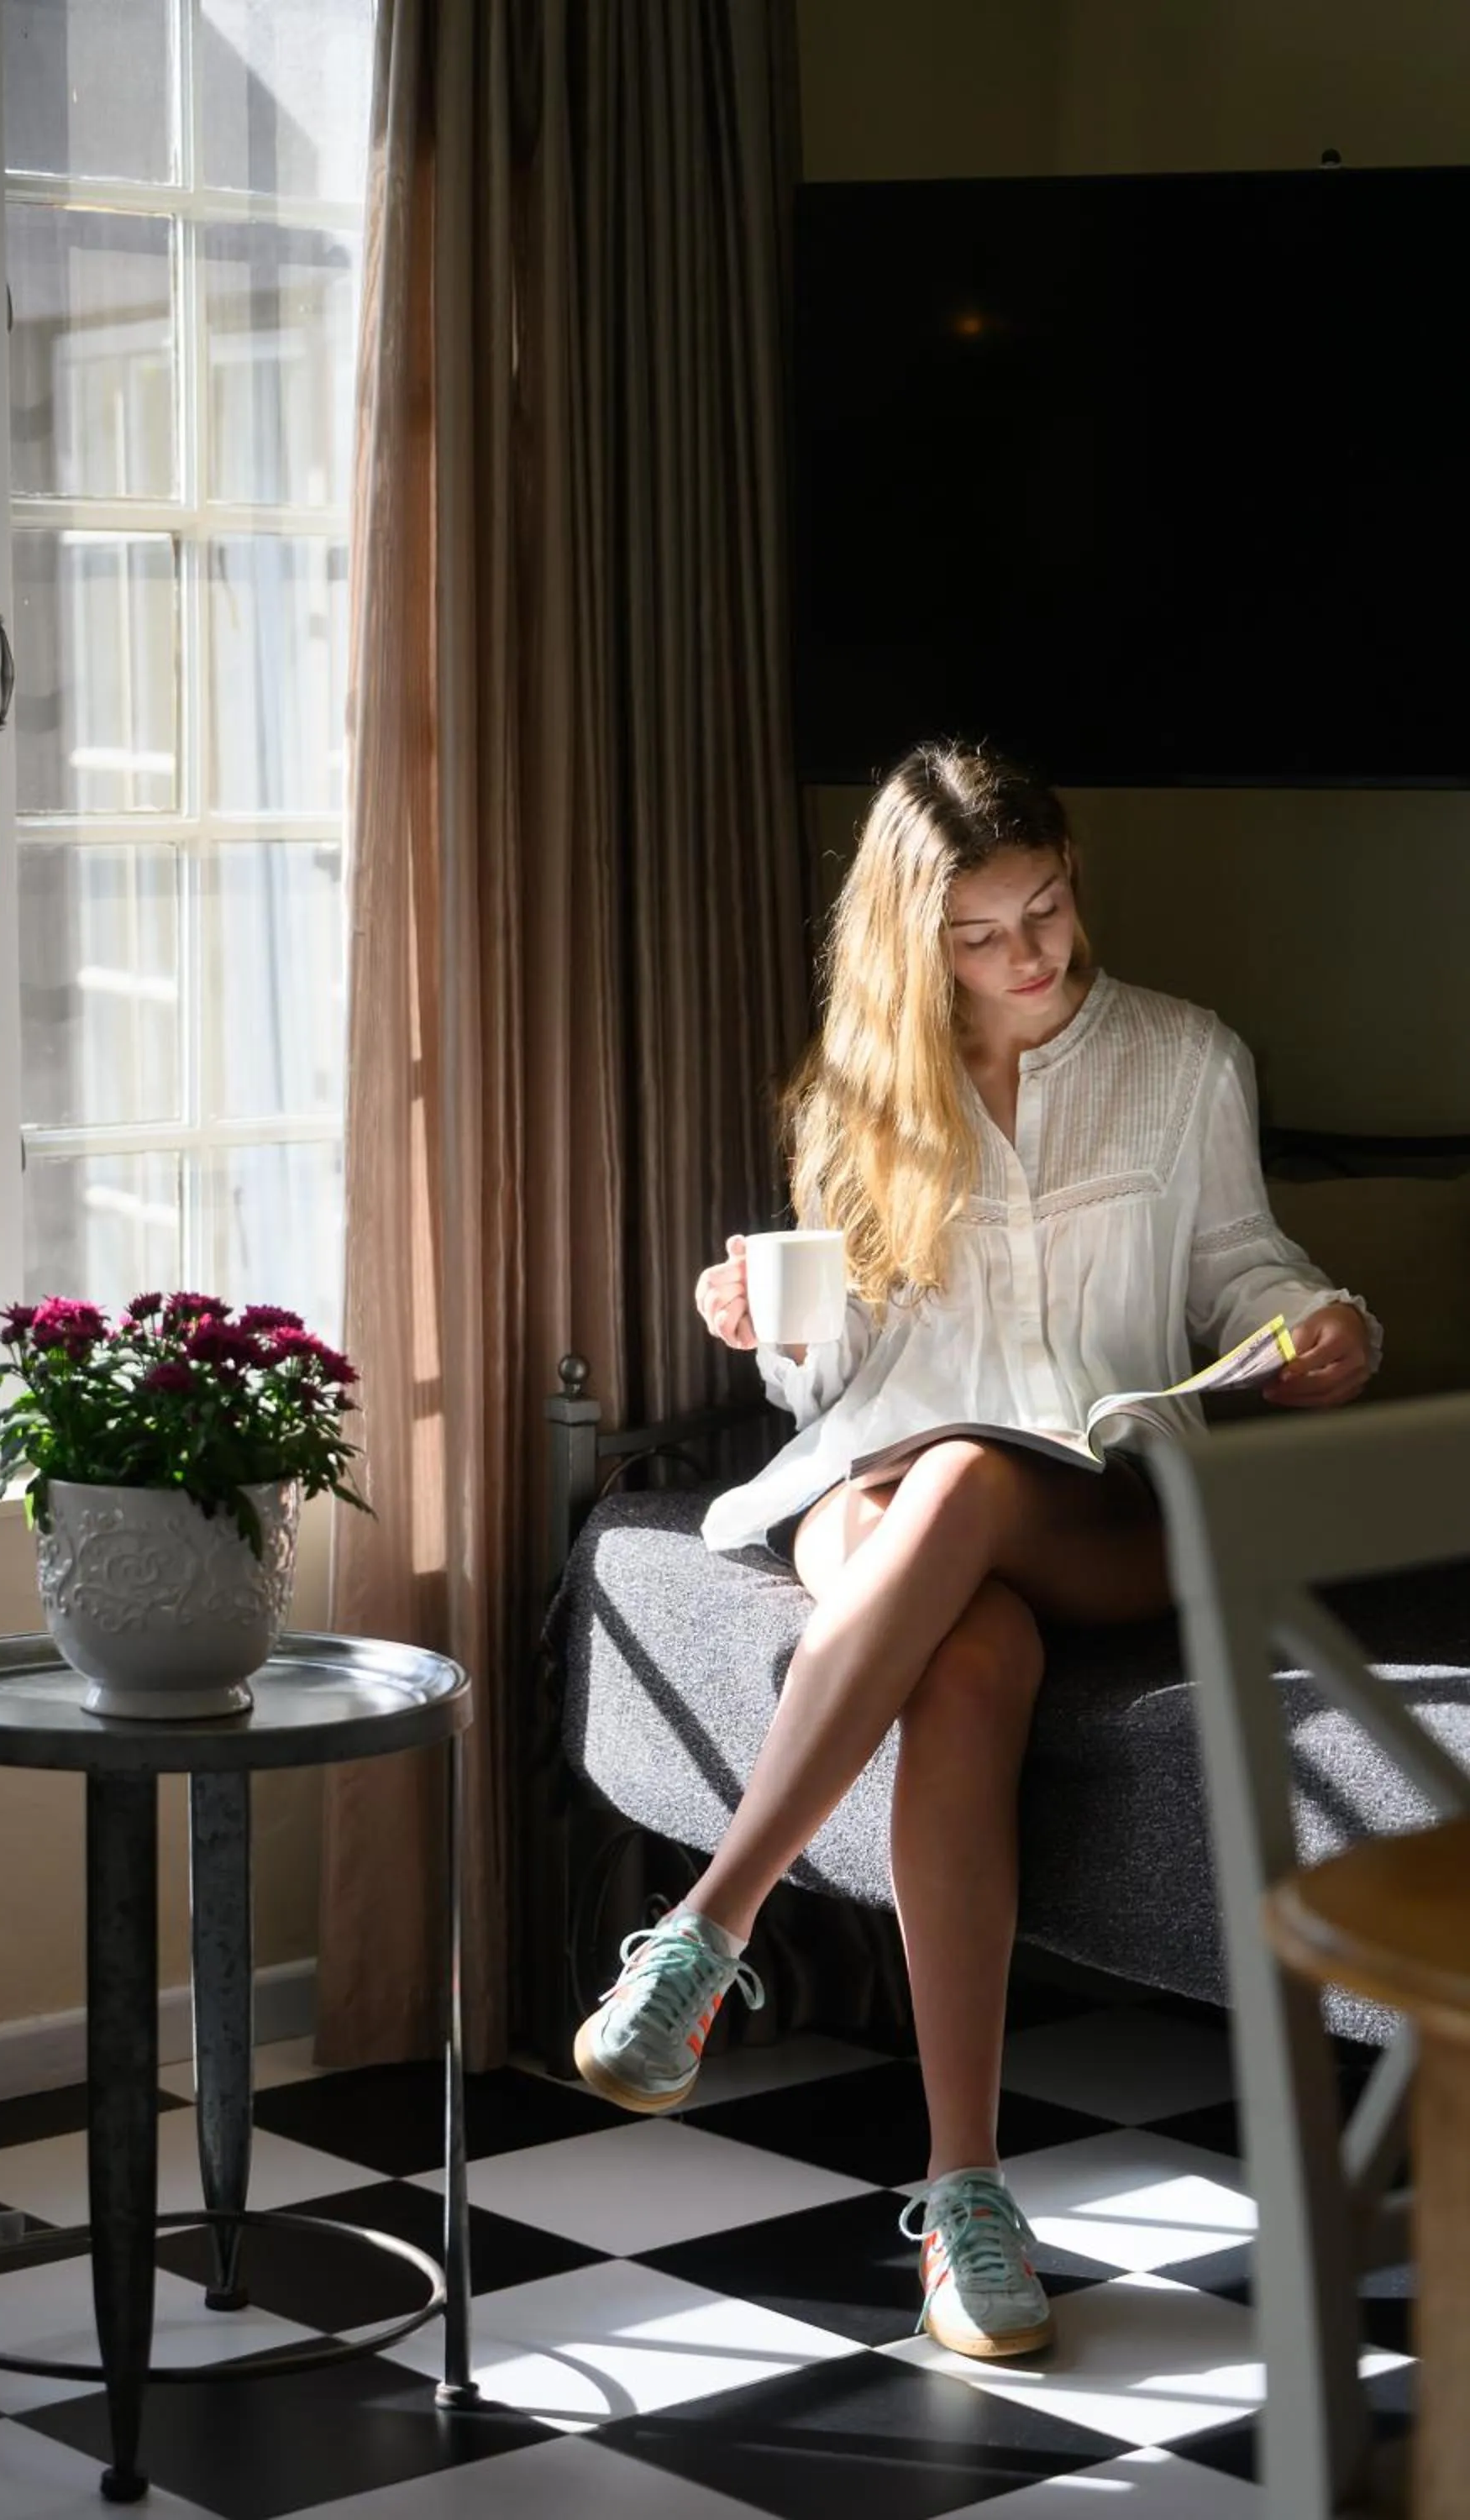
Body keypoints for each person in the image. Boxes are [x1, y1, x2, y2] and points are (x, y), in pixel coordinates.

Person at [572, 739, 1379, 2360]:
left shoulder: (1182, 1058)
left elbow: (1246, 1270)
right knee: (969, 1652)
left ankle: (709, 1927)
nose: (1036, 956)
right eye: (985, 932)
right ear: (911, 938)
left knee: (970, 1493)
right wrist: (754, 1329)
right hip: (883, 1484)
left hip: (1105, 1498)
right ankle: (965, 2195)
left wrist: (1325, 1328)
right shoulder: (855, 1102)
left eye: (1051, 909)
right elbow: (830, 1378)